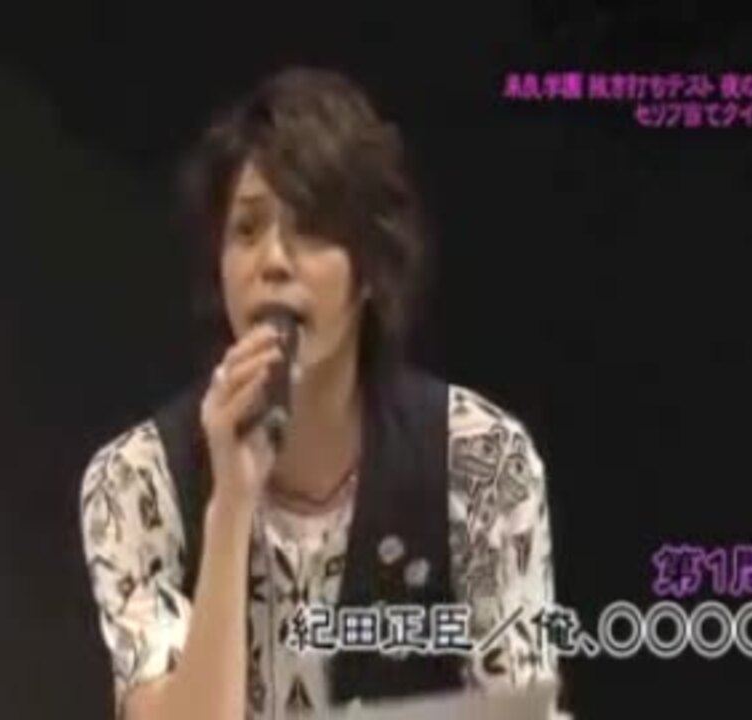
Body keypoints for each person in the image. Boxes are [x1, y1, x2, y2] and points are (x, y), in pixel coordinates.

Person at [79, 66, 560, 720]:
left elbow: (519, 708)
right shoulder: (135, 482)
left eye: (310, 228)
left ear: (370, 268)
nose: (273, 261)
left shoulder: (483, 461)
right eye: (247, 230)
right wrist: (231, 506)